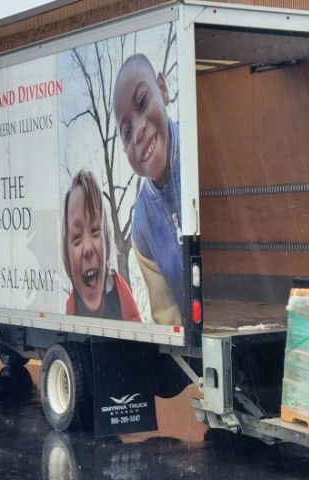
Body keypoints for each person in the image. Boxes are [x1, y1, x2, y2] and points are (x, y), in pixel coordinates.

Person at [113, 53, 182, 326]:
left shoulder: (201, 154)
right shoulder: (142, 225)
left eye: (142, 102)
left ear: (162, 89)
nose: (138, 131)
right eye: (127, 133)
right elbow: (168, 316)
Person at [62, 170, 142, 321]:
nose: (87, 248)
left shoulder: (125, 303)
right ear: (67, 257)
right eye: (77, 237)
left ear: (106, 240)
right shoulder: (69, 312)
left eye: (95, 230)